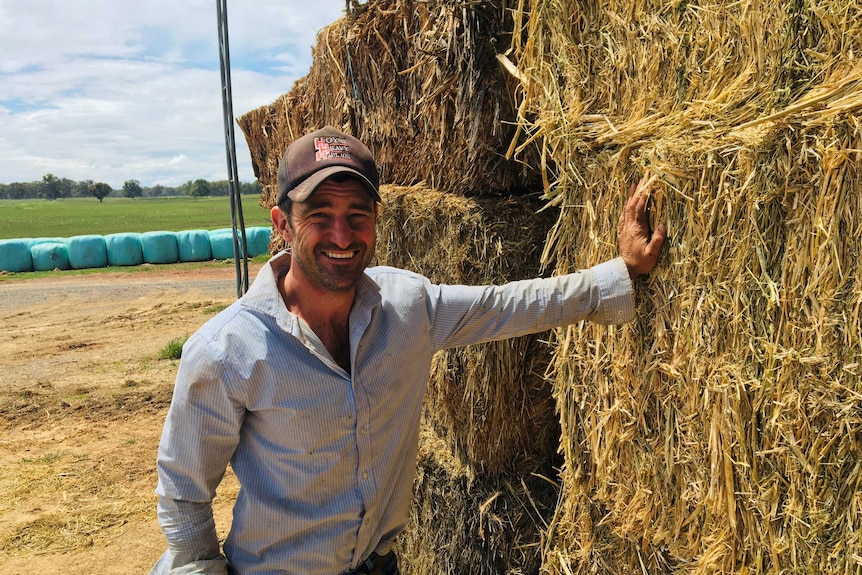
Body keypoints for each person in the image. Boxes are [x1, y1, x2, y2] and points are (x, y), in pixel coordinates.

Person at [150, 125, 667, 575]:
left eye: (357, 214)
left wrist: (620, 273)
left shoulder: (405, 306)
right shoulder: (225, 351)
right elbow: (184, 496)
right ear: (281, 223)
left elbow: (508, 305)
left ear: (377, 220)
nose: (341, 234)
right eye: (319, 214)